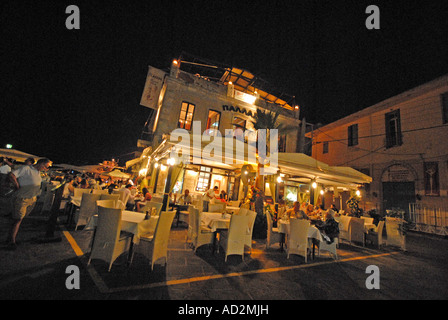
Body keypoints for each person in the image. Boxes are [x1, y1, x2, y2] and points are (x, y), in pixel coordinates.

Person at [6, 158, 52, 249]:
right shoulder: (26, 168)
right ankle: (12, 241)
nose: (47, 169)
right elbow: (11, 175)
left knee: (19, 219)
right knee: (18, 219)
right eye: (47, 167)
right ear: (41, 164)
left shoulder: (38, 172)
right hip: (22, 198)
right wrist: (17, 185)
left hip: (31, 199)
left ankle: (10, 237)